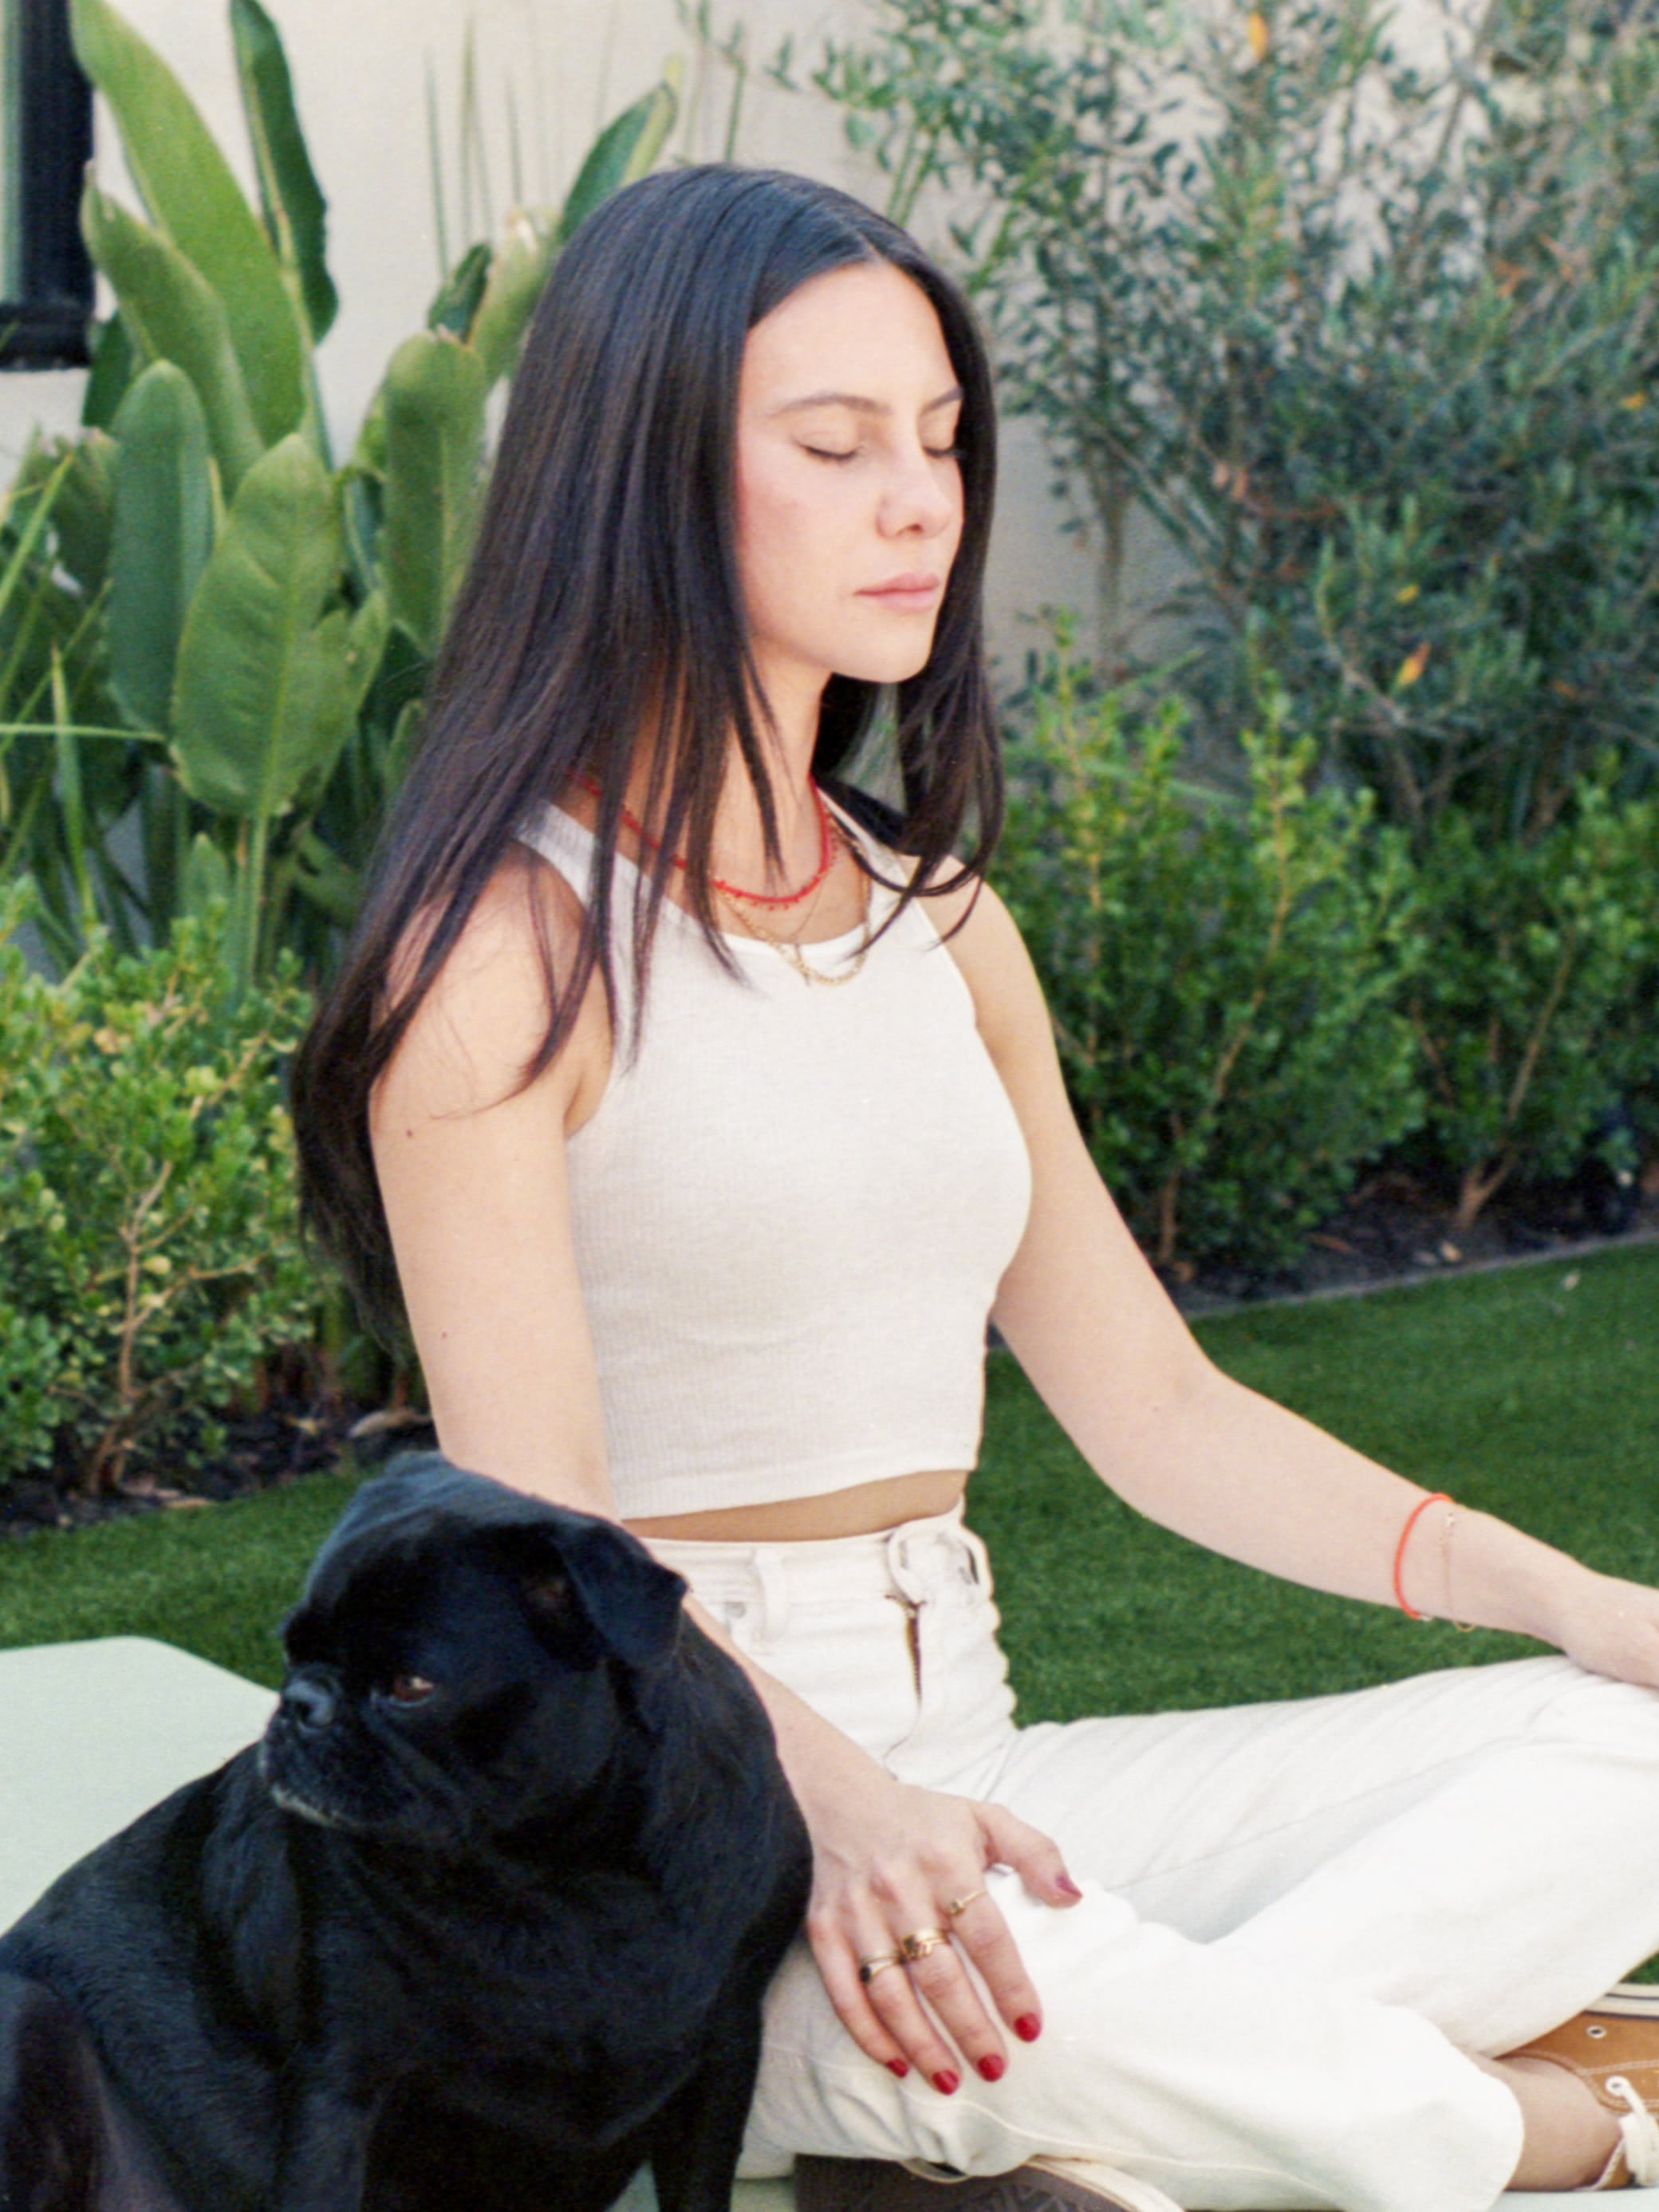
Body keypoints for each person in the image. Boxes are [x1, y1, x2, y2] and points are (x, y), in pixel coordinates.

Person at [292, 166, 1659, 2212]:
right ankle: (1571, 2121)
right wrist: (835, 1811)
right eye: (834, 447)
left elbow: (1155, 1405)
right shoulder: (499, 957)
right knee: (1080, 2001)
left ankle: (1080, 2127)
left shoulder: (937, 925)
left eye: (938, 443)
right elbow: (545, 1557)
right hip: (663, 1829)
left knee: (1622, 1749)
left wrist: (1568, 1598)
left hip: (978, 1776)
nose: (919, 500)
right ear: (648, 471)